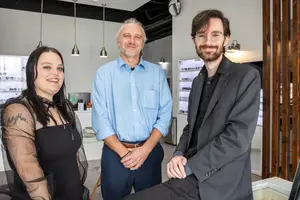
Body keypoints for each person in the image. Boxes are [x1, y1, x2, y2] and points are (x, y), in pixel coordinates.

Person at [123, 9, 261, 200]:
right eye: (201, 35)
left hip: (222, 184)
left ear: (226, 39)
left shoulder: (246, 76)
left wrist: (188, 166)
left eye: (215, 34)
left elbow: (237, 138)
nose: (208, 41)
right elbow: (190, 127)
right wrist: (178, 153)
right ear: (194, 41)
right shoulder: (197, 82)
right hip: (190, 175)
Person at [91, 18, 172, 200]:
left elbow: (165, 113)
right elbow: (100, 120)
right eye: (127, 36)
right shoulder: (103, 75)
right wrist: (125, 153)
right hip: (115, 156)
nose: (132, 40)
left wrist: (144, 150)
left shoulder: (157, 74)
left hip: (150, 153)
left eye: (137, 37)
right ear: (118, 42)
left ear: (143, 43)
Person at [0, 47, 89, 200]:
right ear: (31, 71)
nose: (55, 73)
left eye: (60, 68)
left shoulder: (64, 107)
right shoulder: (18, 111)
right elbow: (27, 167)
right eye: (47, 67)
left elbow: (71, 155)